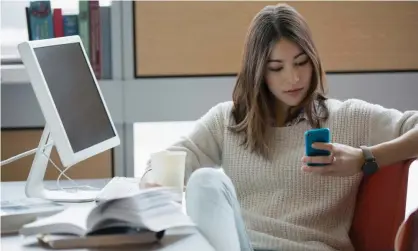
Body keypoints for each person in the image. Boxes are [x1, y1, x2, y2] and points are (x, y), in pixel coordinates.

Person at [140, 3, 418, 251]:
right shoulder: (229, 121)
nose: (294, 77)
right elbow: (165, 163)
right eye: (276, 68)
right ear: (258, 72)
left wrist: (365, 158)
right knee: (204, 181)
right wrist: (152, 179)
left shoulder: (348, 117)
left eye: (301, 62)